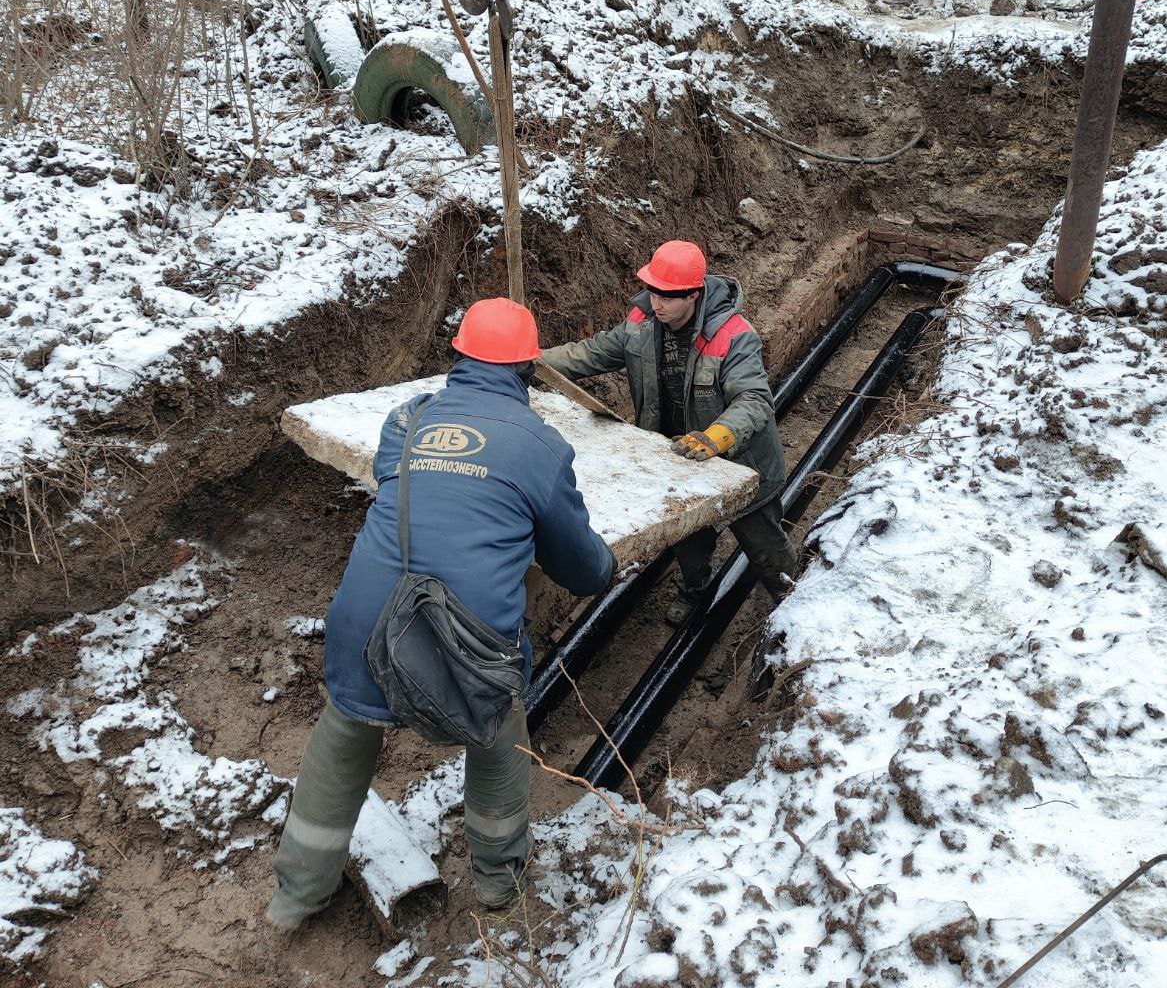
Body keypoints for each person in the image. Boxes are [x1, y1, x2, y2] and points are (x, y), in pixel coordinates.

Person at [267, 298, 615, 930]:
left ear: (458, 355)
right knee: (496, 732)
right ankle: (498, 884)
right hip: (469, 634)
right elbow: (582, 568)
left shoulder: (407, 418)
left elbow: (415, 494)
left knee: (344, 734)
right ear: (528, 369)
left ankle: (295, 897)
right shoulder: (541, 443)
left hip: (363, 618)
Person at [542, 240, 796, 626]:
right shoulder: (642, 324)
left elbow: (754, 399)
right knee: (689, 542)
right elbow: (590, 353)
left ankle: (789, 601)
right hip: (678, 458)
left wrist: (718, 435)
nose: (656, 302)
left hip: (739, 460)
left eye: (667, 296)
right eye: (652, 291)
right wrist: (530, 361)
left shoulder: (733, 335)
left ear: (693, 295)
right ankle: (695, 590)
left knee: (765, 547)